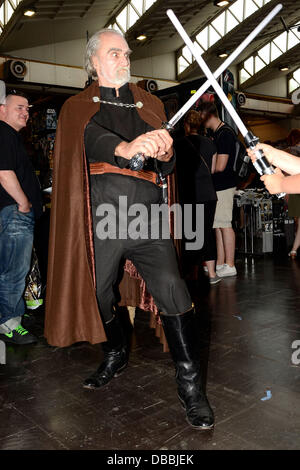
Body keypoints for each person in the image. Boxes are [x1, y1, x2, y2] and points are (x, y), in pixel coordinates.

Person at [44, 28, 214, 430]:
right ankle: (117, 350)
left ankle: (191, 388)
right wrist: (124, 148)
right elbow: (88, 137)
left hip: (148, 215)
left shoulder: (150, 103)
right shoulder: (77, 107)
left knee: (174, 289)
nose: (124, 60)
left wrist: (166, 150)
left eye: (126, 54)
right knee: (97, 293)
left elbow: (171, 165)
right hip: (101, 216)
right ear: (94, 61)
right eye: (115, 53)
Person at [0, 91, 43, 344]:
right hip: (14, 213)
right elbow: (4, 173)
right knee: (14, 271)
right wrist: (24, 203)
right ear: (2, 110)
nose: (25, 112)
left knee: (11, 269)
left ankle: (11, 313)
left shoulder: (9, 136)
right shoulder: (3, 133)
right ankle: (9, 323)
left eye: (27, 108)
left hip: (12, 213)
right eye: (19, 107)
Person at [175, 110, 219, 284]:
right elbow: (213, 169)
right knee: (207, 233)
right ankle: (212, 274)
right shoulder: (209, 143)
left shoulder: (178, 144)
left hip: (189, 192)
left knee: (189, 232)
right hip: (208, 193)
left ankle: (191, 272)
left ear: (186, 125)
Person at [198, 102, 237, 277]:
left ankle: (230, 263)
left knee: (225, 224)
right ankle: (221, 263)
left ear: (207, 114)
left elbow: (220, 166)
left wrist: (204, 169)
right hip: (219, 185)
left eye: (201, 115)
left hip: (224, 184)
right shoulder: (220, 133)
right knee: (219, 225)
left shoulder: (225, 134)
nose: (199, 120)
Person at [284, 130, 300, 258]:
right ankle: (294, 249)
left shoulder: (289, 151)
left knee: (298, 220)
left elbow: (287, 172)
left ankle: (294, 249)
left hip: (295, 187)